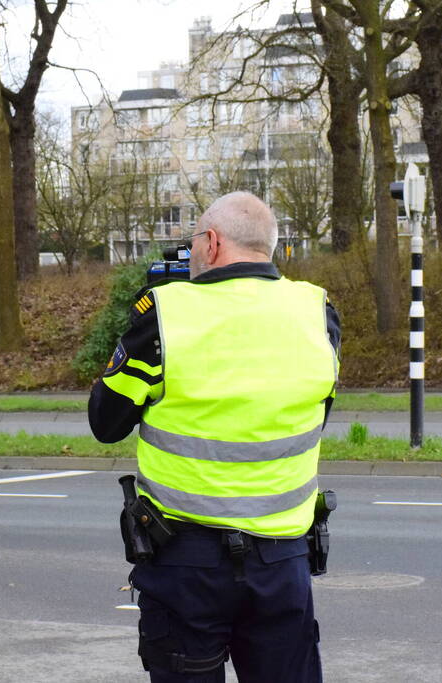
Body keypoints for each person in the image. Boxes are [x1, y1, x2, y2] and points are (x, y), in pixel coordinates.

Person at [88, 191, 341, 682]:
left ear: (211, 242)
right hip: (283, 559)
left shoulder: (165, 314)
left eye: (193, 244)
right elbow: (317, 413)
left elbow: (107, 422)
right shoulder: (317, 311)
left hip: (186, 561)